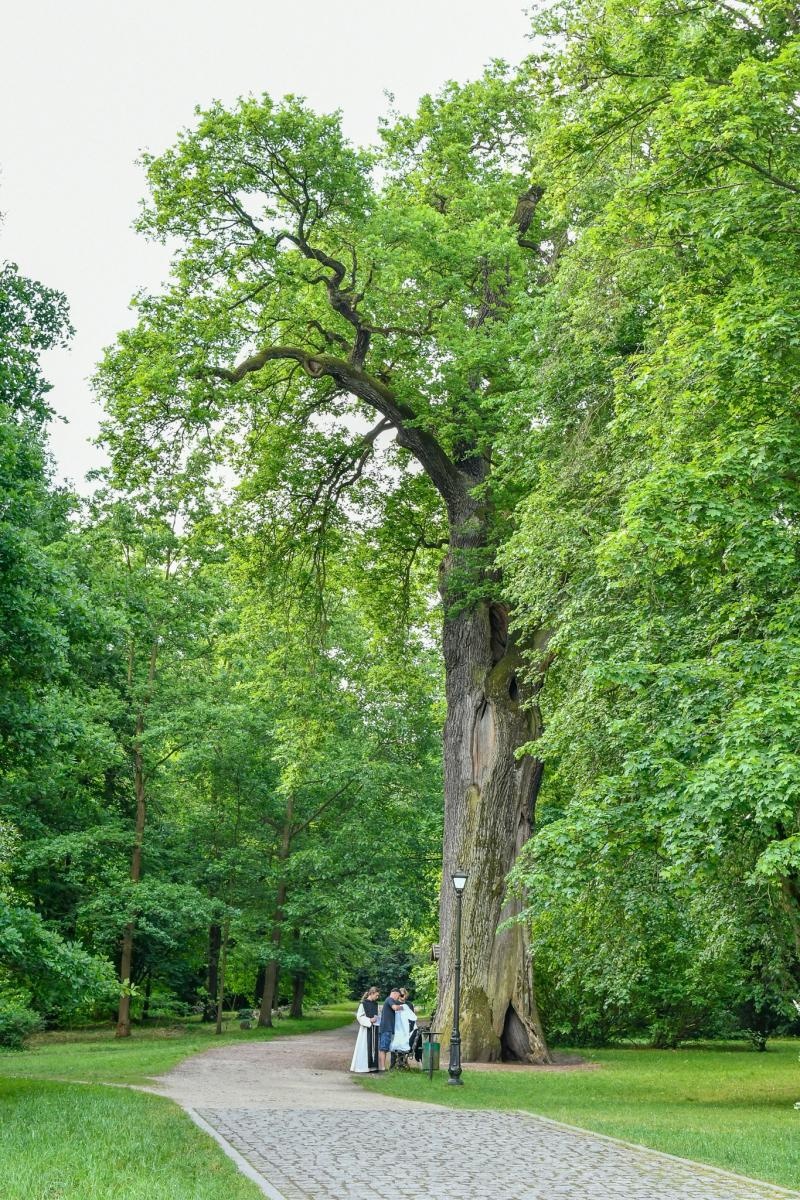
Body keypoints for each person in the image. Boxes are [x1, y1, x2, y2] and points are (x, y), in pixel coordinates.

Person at [350, 986, 380, 1074]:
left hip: (375, 1028)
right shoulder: (363, 1004)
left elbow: (378, 1015)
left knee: (374, 1047)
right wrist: (369, 1020)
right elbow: (359, 1016)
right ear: (372, 993)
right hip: (365, 1030)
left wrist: (377, 1019)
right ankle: (363, 1067)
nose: (377, 997)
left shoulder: (376, 1004)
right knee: (365, 1047)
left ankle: (373, 1067)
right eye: (376, 995)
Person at [389, 989, 417, 1068]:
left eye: (403, 995)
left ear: (406, 995)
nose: (402, 997)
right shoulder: (395, 1004)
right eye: (400, 995)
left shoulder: (409, 1004)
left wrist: (410, 1028)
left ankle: (402, 1062)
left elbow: (412, 1017)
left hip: (407, 1028)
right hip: (397, 1028)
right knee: (394, 1045)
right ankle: (392, 1064)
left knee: (405, 1043)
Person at [378, 986, 404, 1071]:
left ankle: (385, 1067)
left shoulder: (391, 1000)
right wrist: (403, 1007)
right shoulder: (389, 999)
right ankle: (382, 1067)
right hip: (386, 1028)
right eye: (398, 996)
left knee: (386, 1048)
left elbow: (399, 1003)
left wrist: (403, 1002)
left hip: (388, 1028)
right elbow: (395, 1007)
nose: (398, 998)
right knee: (383, 1048)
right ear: (395, 994)